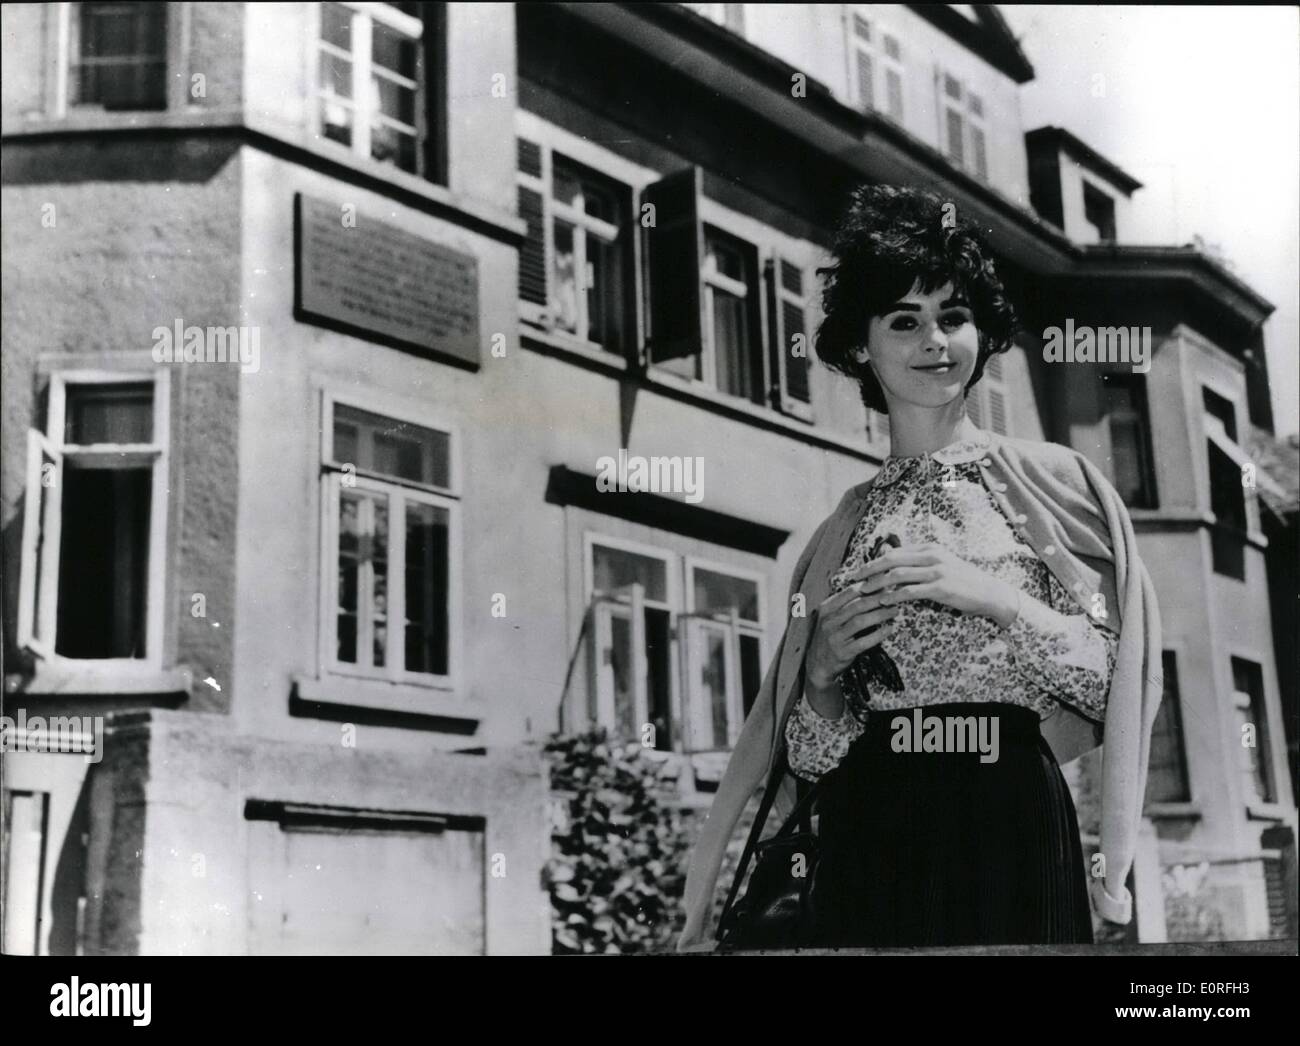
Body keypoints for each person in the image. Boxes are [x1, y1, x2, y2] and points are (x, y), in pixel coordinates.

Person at [677, 184, 1162, 951]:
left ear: (981, 334)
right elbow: (810, 758)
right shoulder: (840, 529)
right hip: (872, 825)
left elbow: (1118, 684)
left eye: (953, 316)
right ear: (862, 346)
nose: (934, 340)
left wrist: (999, 601)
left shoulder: (1058, 484)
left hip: (1014, 817)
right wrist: (824, 677)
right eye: (904, 320)